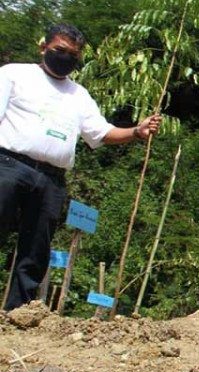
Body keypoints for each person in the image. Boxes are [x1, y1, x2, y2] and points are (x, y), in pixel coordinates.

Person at [0, 24, 161, 311]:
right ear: (43, 48)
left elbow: (100, 133)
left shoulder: (79, 95)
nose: (66, 58)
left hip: (52, 179)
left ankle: (18, 314)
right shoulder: (14, 74)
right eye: (60, 51)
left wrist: (137, 131)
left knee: (36, 249)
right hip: (9, 165)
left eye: (73, 55)